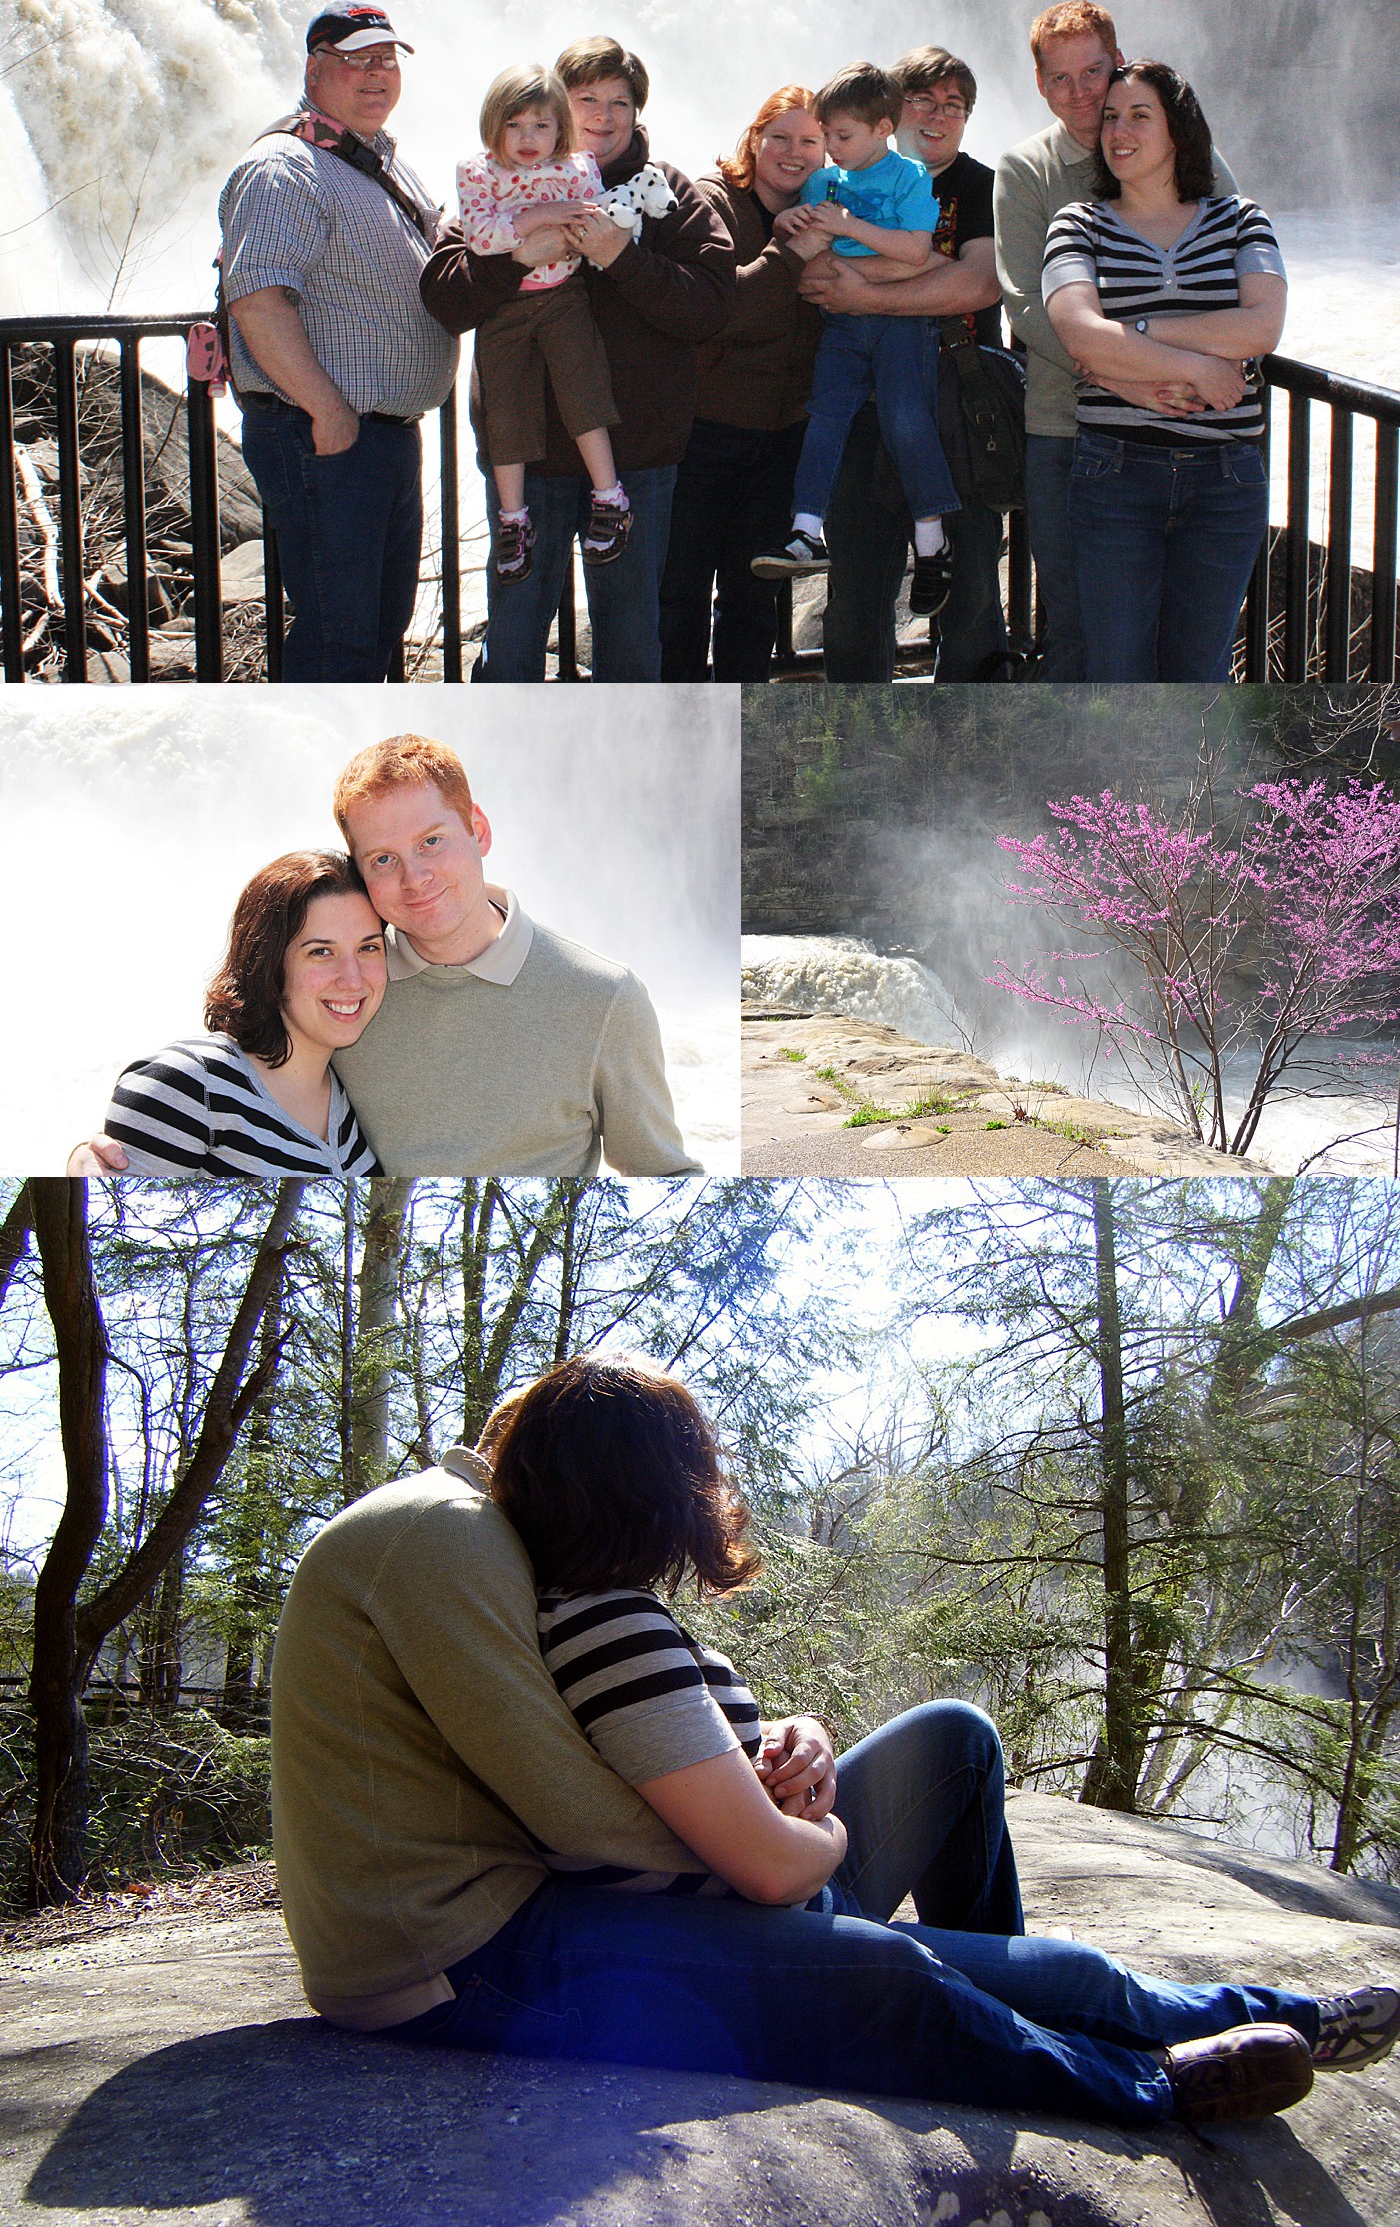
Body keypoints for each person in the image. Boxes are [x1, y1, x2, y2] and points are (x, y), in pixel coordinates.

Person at [269, 1350, 1400, 2121]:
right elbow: (569, 1805)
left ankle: (1044, 1989)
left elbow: (639, 1732)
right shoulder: (447, 1540)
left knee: (954, 1741)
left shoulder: (518, 1556)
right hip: (466, 1956)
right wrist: (772, 1842)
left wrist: (795, 1739)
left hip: (688, 1876)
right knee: (885, 1970)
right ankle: (1146, 2083)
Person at [75, 737, 699, 1181]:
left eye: (432, 841)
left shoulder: (603, 998)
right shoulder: (355, 999)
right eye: (383, 859)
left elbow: (664, 1175)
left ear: (478, 830)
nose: (415, 877)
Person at [420, 36, 735, 682]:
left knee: (628, 650)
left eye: (620, 101)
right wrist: (514, 262)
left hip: (635, 464)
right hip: (528, 464)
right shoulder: (500, 184)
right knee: (512, 648)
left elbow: (709, 306)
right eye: (586, 97)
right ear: (555, 105)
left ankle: (626, 779)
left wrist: (625, 258)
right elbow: (444, 296)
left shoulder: (666, 191)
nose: (603, 114)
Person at [994, 0, 1238, 679]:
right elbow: (1028, 307)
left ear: (1119, 62)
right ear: (1040, 85)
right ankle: (1086, 787)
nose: (1081, 93)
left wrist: (1164, 373)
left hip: (1185, 438)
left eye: (1094, 72)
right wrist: (1140, 380)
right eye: (1062, 78)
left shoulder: (1180, 150)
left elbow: (1243, 270)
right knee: (1076, 631)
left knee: (1183, 643)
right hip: (1070, 434)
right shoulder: (1026, 171)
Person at [218, 0, 459, 683]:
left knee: (375, 630)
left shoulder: (377, 160)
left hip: (375, 439)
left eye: (387, 60)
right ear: (315, 69)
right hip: (325, 439)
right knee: (339, 639)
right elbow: (259, 297)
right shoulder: (284, 168)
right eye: (357, 61)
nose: (377, 75)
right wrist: (327, 409)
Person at [1043, 62, 1287, 682]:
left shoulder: (1241, 219)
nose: (1118, 131)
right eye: (1110, 118)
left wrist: (1140, 333)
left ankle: (1192, 787)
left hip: (1225, 482)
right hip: (1115, 475)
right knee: (1117, 674)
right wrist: (1202, 368)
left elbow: (1262, 327)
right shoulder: (1077, 225)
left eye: (1139, 116)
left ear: (1178, 129)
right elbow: (1078, 332)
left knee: (1198, 675)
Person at [799, 46, 1011, 682]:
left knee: (971, 597)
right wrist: (918, 268)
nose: (938, 116)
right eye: (924, 100)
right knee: (857, 601)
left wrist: (866, 293)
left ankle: (976, 748)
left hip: (955, 407)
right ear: (892, 113)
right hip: (863, 411)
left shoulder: (979, 186)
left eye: (955, 106)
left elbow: (978, 286)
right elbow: (813, 273)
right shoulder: (845, 179)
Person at [750, 62, 960, 596]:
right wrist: (784, 223)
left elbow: (917, 249)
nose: (832, 149)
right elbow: (795, 230)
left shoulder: (909, 176)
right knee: (825, 417)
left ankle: (932, 538)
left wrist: (847, 227)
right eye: (828, 137)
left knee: (907, 421)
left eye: (841, 136)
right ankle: (805, 531)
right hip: (842, 325)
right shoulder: (823, 180)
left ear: (884, 128)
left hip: (900, 327)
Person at [657, 86, 826, 681]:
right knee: (678, 598)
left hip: (783, 440)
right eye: (778, 135)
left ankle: (739, 743)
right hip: (704, 437)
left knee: (753, 603)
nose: (793, 151)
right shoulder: (713, 203)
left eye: (810, 140)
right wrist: (790, 254)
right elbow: (717, 312)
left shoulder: (832, 213)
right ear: (753, 140)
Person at [103, 851, 383, 1179]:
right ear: (268, 963)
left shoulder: (355, 1090)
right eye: (320, 952)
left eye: (368, 948)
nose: (353, 980)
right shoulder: (185, 1087)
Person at [455, 64, 629, 583]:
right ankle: (513, 520)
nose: (528, 139)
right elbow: (483, 238)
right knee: (504, 409)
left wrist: (551, 220)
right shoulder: (478, 172)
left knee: (583, 391)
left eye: (541, 126)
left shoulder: (577, 168)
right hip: (506, 310)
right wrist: (543, 215)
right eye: (514, 126)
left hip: (563, 296)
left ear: (561, 130)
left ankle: (610, 496)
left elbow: (596, 220)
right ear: (493, 125)